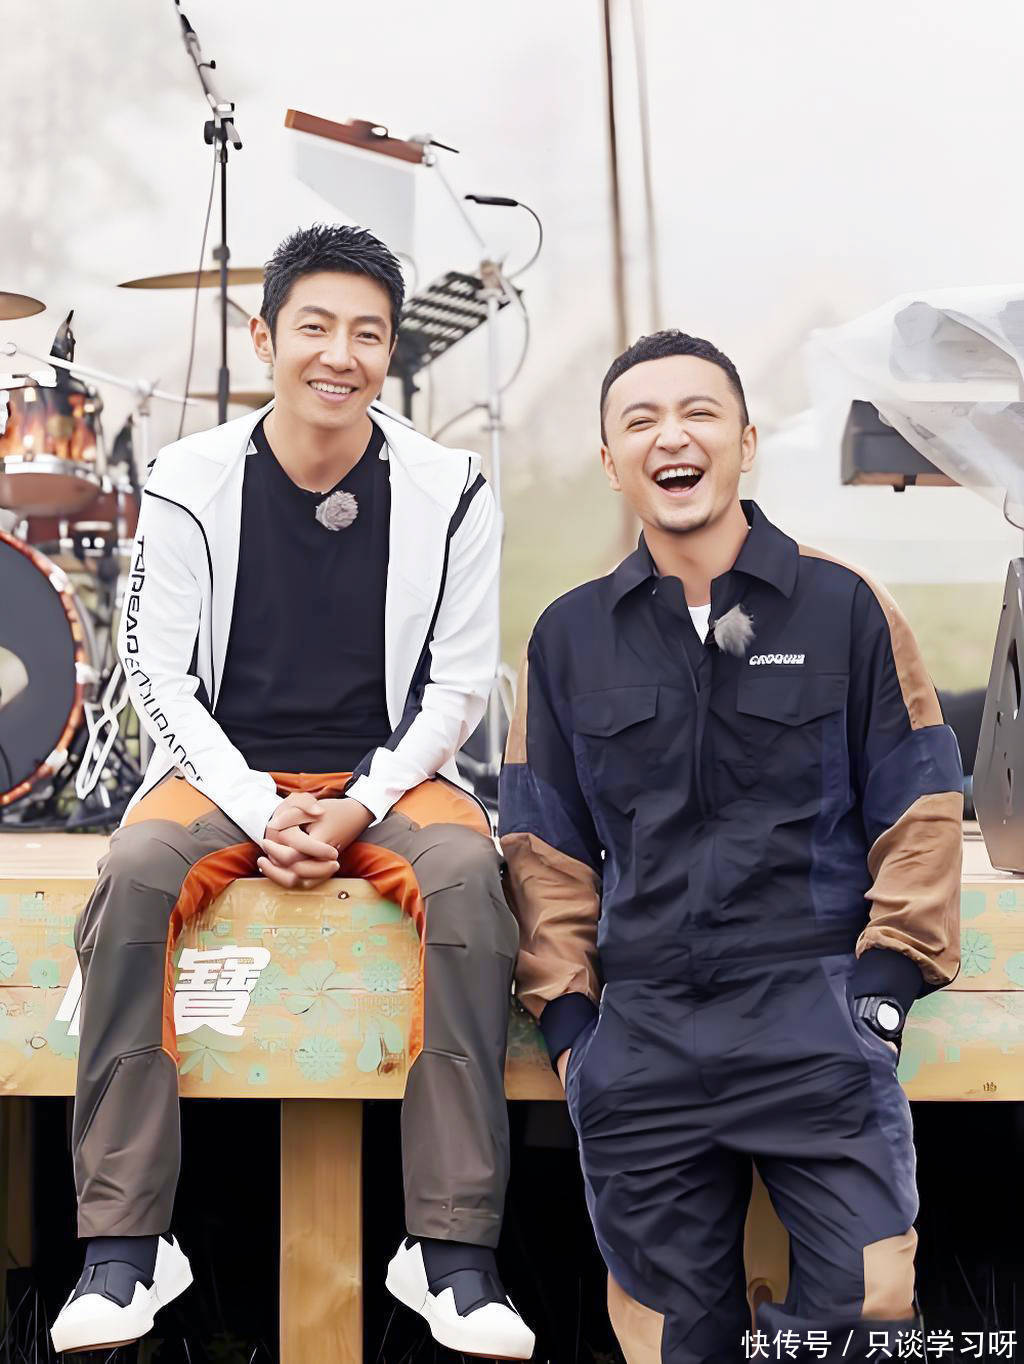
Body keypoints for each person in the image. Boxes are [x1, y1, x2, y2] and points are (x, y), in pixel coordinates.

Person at [51, 223, 534, 1360]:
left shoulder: (452, 487)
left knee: (470, 880)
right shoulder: (188, 478)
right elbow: (156, 674)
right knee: (134, 871)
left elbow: (458, 687)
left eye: (367, 333)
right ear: (264, 338)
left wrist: (358, 803)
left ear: (390, 352)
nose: (340, 354)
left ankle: (450, 1250)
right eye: (314, 326)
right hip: (223, 773)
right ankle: (124, 1245)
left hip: (392, 777)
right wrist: (260, 807)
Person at [499, 329, 963, 1363]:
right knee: (669, 1343)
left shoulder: (845, 607)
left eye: (699, 413)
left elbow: (922, 806)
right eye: (641, 420)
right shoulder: (568, 637)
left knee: (869, 1314)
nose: (673, 436)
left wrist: (882, 990)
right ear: (611, 459)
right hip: (644, 1033)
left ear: (745, 443)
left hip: (812, 1014)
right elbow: (543, 847)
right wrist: (574, 1029)